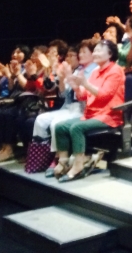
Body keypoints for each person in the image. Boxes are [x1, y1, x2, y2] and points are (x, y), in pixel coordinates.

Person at [53, 40, 125, 182]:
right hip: (91, 114)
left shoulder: (116, 70)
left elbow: (104, 95)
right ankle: (63, 162)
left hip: (109, 115)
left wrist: (85, 83)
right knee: (60, 127)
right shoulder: (95, 71)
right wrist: (75, 86)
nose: (95, 53)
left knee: (76, 128)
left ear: (110, 54)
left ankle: (79, 164)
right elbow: (83, 96)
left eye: (99, 50)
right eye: (95, 50)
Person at [33, 41, 99, 175]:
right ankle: (41, 158)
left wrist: (69, 77)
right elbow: (63, 94)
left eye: (84, 52)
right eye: (80, 52)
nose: (80, 55)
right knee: (40, 120)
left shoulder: (95, 71)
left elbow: (85, 94)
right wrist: (61, 78)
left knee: (56, 123)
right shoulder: (79, 70)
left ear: (93, 54)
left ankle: (58, 158)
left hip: (83, 108)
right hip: (69, 107)